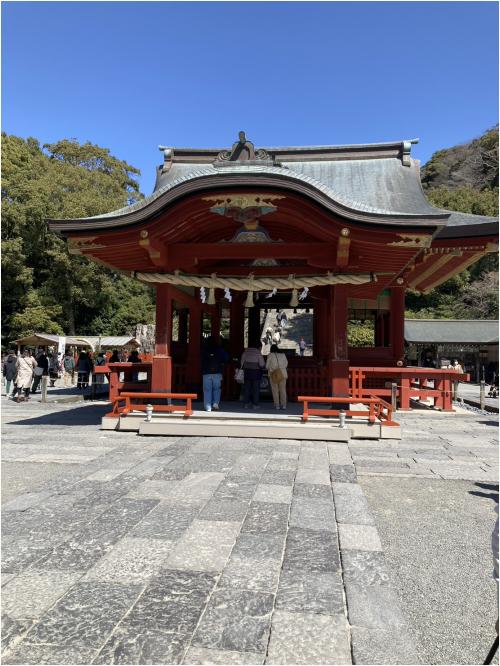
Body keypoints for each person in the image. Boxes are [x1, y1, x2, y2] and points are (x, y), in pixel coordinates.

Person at [201, 337, 229, 412]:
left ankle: (208, 407)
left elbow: (201, 360)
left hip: (206, 372)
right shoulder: (220, 350)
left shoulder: (204, 350)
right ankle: (215, 404)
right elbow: (226, 358)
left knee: (207, 390)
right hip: (217, 372)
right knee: (217, 389)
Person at [241, 342, 265, 409]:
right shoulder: (258, 353)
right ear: (259, 347)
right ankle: (255, 404)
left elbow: (241, 363)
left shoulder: (245, 352)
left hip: (247, 372)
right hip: (256, 373)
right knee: (256, 389)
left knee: (247, 388)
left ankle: (246, 404)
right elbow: (262, 364)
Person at [266, 344, 288, 410]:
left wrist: (272, 368)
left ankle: (277, 405)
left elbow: (267, 366)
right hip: (282, 374)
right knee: (283, 390)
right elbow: (286, 364)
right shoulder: (283, 355)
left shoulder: (270, 355)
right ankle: (284, 405)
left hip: (274, 374)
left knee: (275, 390)